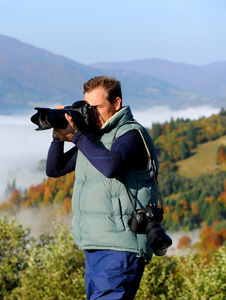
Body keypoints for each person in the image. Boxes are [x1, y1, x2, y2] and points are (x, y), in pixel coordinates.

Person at [46, 76, 160, 299]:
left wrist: (77, 136)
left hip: (121, 246)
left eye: (98, 107)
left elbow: (110, 165)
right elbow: (55, 169)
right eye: (89, 107)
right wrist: (59, 136)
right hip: (94, 245)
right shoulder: (95, 139)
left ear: (116, 103)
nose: (93, 113)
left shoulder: (131, 134)